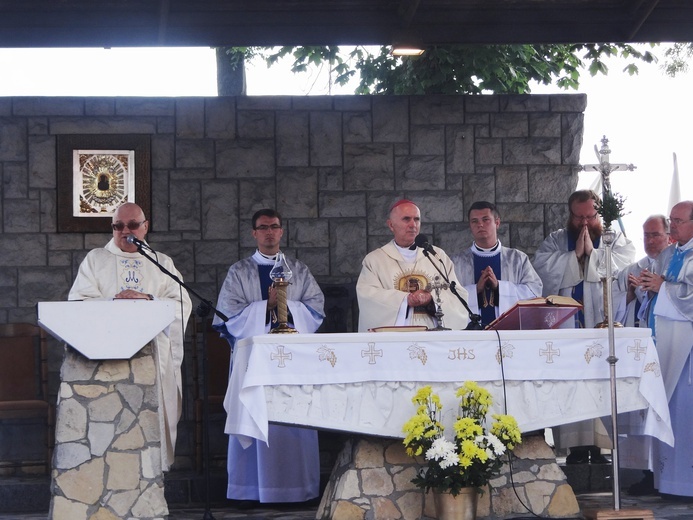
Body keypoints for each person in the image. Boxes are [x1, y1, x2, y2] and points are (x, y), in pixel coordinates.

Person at [68, 202, 192, 471]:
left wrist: (147, 298)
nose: (125, 231)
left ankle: (151, 473)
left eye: (132, 225)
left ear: (145, 227)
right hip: (106, 359)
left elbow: (182, 302)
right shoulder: (96, 260)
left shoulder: (161, 263)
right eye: (118, 226)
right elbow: (77, 302)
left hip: (152, 357)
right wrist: (115, 303)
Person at [213, 208, 325, 504]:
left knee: (293, 416)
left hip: (293, 363)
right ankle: (249, 490)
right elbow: (227, 317)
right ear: (254, 233)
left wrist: (286, 306)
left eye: (274, 227)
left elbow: (315, 309)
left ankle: (297, 488)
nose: (269, 232)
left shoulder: (298, 270)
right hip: (254, 364)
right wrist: (266, 305)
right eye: (263, 228)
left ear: (281, 231)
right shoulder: (239, 272)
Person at [533, 189, 635, 464]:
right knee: (570, 384)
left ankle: (601, 446)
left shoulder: (615, 240)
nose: (585, 223)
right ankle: (575, 447)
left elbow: (625, 266)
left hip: (598, 326)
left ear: (599, 214)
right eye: (579, 217)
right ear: (571, 215)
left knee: (599, 382)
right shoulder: (556, 240)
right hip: (567, 329)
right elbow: (541, 268)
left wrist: (593, 255)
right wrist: (573, 256)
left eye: (590, 216)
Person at [641, 201, 693, 498]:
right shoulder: (670, 253)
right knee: (667, 408)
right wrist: (646, 285)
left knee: (686, 411)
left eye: (678, 220)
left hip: (688, 349)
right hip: (664, 343)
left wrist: (663, 288)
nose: (673, 225)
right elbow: (658, 287)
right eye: (671, 220)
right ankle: (667, 482)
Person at [356, 199, 469, 332]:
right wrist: (406, 300)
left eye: (416, 219)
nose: (413, 225)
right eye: (406, 219)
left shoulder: (436, 256)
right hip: (394, 339)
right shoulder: (375, 260)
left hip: (433, 337)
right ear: (391, 225)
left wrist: (430, 298)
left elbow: (457, 295)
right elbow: (368, 298)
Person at [451, 201, 542, 327]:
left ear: (497, 223)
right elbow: (447, 298)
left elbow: (535, 292)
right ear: (470, 226)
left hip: (509, 334)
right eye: (474, 221)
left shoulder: (517, 259)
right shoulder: (457, 262)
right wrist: (475, 290)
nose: (480, 224)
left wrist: (500, 287)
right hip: (470, 337)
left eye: (485, 219)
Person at [614, 215, 671, 327]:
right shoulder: (630, 271)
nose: (650, 241)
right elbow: (608, 309)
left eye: (655, 235)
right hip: (633, 338)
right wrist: (629, 295)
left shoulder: (675, 269)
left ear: (669, 237)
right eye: (646, 235)